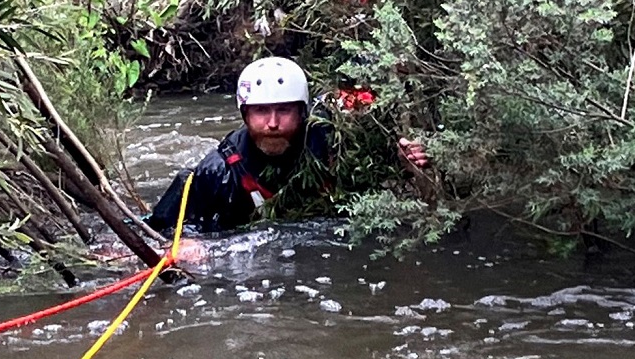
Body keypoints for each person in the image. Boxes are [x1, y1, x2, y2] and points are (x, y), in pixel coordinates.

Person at [146, 57, 428, 235]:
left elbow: (376, 179)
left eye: (283, 111)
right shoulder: (218, 171)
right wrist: (187, 242)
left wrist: (402, 162)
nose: (272, 123)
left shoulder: (332, 142)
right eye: (261, 112)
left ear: (302, 113)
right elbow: (163, 230)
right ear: (245, 115)